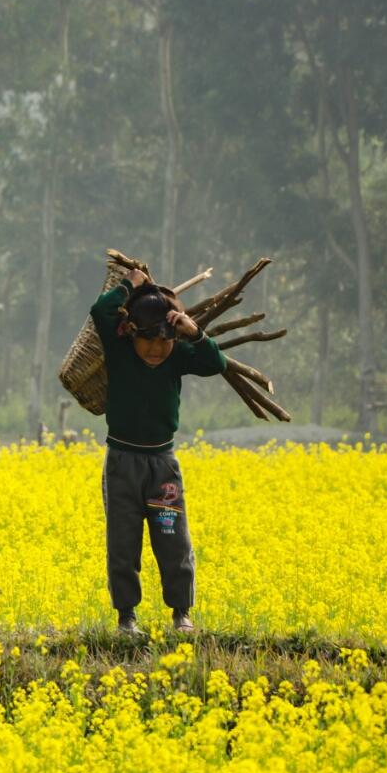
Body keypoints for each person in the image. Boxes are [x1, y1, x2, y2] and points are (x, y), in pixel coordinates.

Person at [89, 267, 227, 635]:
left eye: (164, 341)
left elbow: (217, 363)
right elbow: (101, 310)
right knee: (123, 541)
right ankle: (126, 617)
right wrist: (129, 284)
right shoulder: (119, 350)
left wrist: (192, 331)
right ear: (130, 332)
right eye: (147, 341)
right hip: (122, 463)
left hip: (162, 466)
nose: (155, 349)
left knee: (173, 540)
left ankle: (181, 613)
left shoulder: (179, 354)